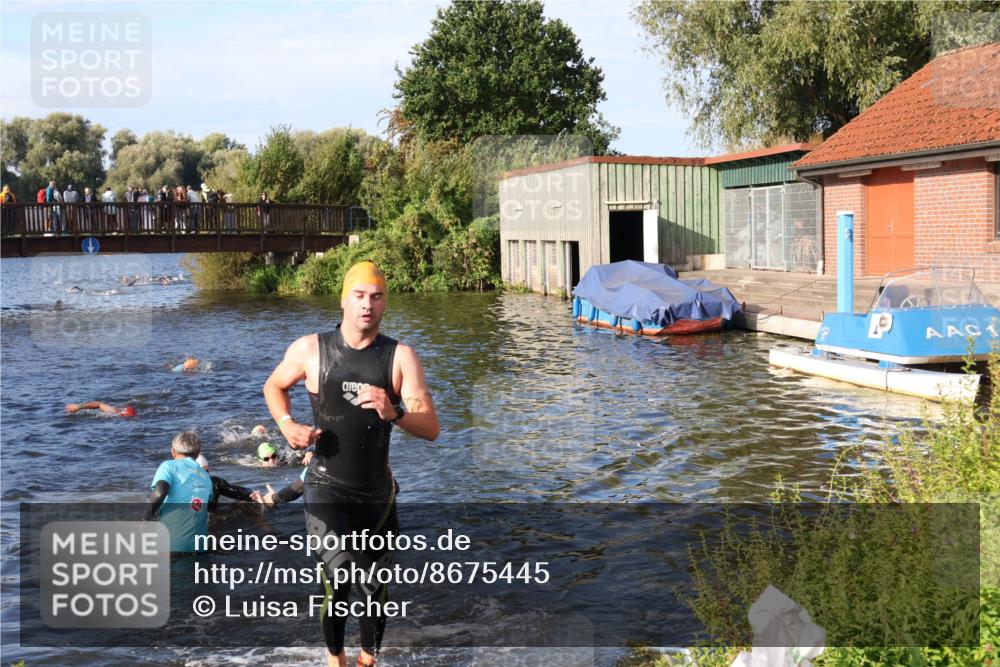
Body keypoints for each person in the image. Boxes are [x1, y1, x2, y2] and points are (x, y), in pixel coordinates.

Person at [263, 261, 440, 667]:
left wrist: (393, 411)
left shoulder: (400, 358)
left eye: (376, 297)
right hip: (325, 485)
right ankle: (335, 659)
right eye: (359, 296)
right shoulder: (311, 349)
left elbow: (431, 428)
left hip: (377, 494)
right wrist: (287, 424)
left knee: (375, 588)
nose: (367, 305)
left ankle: (367, 660)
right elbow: (273, 385)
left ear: (385, 304)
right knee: (338, 577)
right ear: (343, 300)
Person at [65, 401, 137, 417]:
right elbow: (99, 404)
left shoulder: (116, 414)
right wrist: (78, 407)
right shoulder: (116, 413)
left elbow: (99, 404)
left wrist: (78, 407)